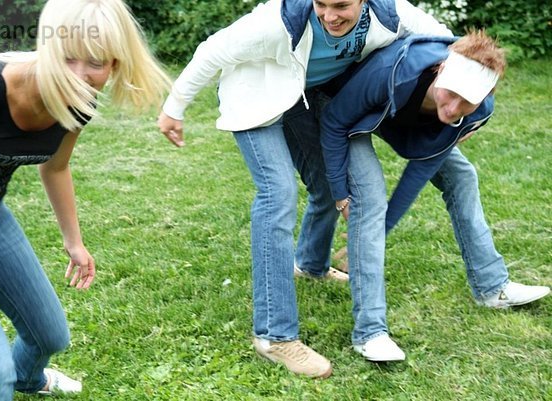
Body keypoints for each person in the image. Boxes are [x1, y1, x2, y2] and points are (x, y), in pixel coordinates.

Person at [157, 0, 453, 378]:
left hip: (303, 96)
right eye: (322, 4)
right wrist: (174, 108)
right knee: (277, 194)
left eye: (342, 5)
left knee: (329, 184)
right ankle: (274, 335)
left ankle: (311, 265)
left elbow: (444, 39)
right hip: (254, 93)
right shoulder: (274, 23)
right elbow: (211, 50)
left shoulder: (390, 13)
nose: (330, 16)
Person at [0, 0, 170, 399]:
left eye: (96, 62)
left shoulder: (81, 101)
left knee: (48, 335)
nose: (79, 76)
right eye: (68, 58)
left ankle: (29, 379)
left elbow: (55, 167)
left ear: (115, 65)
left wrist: (74, 241)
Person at [319, 31, 550, 362]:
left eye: (466, 101)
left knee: (462, 176)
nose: (454, 108)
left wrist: (380, 234)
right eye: (452, 94)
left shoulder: (476, 110)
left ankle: (491, 286)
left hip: (401, 121)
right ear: (441, 70)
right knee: (369, 200)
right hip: (350, 109)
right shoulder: (395, 70)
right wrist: (341, 193)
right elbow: (334, 122)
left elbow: (419, 171)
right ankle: (370, 331)